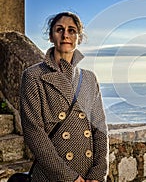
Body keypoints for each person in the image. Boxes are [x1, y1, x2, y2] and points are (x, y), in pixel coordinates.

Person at [20, 12, 108, 182]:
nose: (65, 35)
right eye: (59, 29)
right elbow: (34, 133)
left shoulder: (89, 78)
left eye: (72, 30)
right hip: (52, 176)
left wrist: (98, 174)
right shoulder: (33, 76)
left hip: (88, 175)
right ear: (51, 37)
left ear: (79, 38)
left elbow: (100, 128)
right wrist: (69, 177)